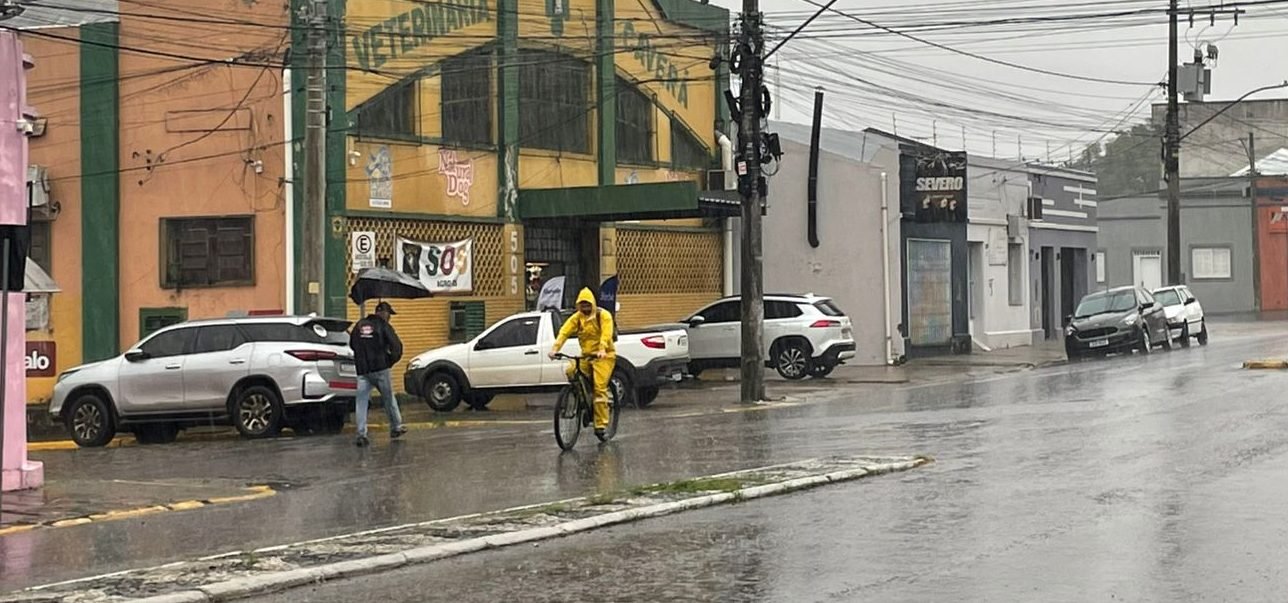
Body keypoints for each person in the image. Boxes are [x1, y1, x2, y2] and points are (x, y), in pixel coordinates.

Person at [548, 288, 616, 436]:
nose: (585, 308)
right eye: (582, 305)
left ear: (592, 304)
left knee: (599, 389)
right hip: (586, 355)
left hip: (604, 356)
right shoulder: (577, 318)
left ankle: (601, 424)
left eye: (587, 305)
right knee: (571, 371)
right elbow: (564, 332)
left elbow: (606, 333)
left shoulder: (603, 315)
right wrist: (555, 348)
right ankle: (582, 397)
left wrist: (602, 348)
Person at [350, 301, 406, 447]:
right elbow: (397, 347)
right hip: (380, 369)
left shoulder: (359, 325)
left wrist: (362, 358)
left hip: (363, 371)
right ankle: (396, 427)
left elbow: (352, 345)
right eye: (389, 314)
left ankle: (361, 434)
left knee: (361, 402)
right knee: (388, 398)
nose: (390, 318)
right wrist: (389, 361)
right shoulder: (383, 326)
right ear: (384, 313)